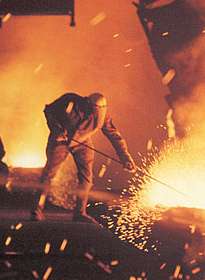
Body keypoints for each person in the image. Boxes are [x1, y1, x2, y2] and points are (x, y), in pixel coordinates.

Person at [31, 92, 137, 223]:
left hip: (83, 142)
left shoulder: (102, 116)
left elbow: (115, 137)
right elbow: (49, 110)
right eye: (94, 112)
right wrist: (56, 128)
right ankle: (37, 209)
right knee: (49, 174)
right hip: (60, 140)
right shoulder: (68, 101)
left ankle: (80, 212)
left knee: (86, 177)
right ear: (87, 104)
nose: (96, 116)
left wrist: (125, 158)